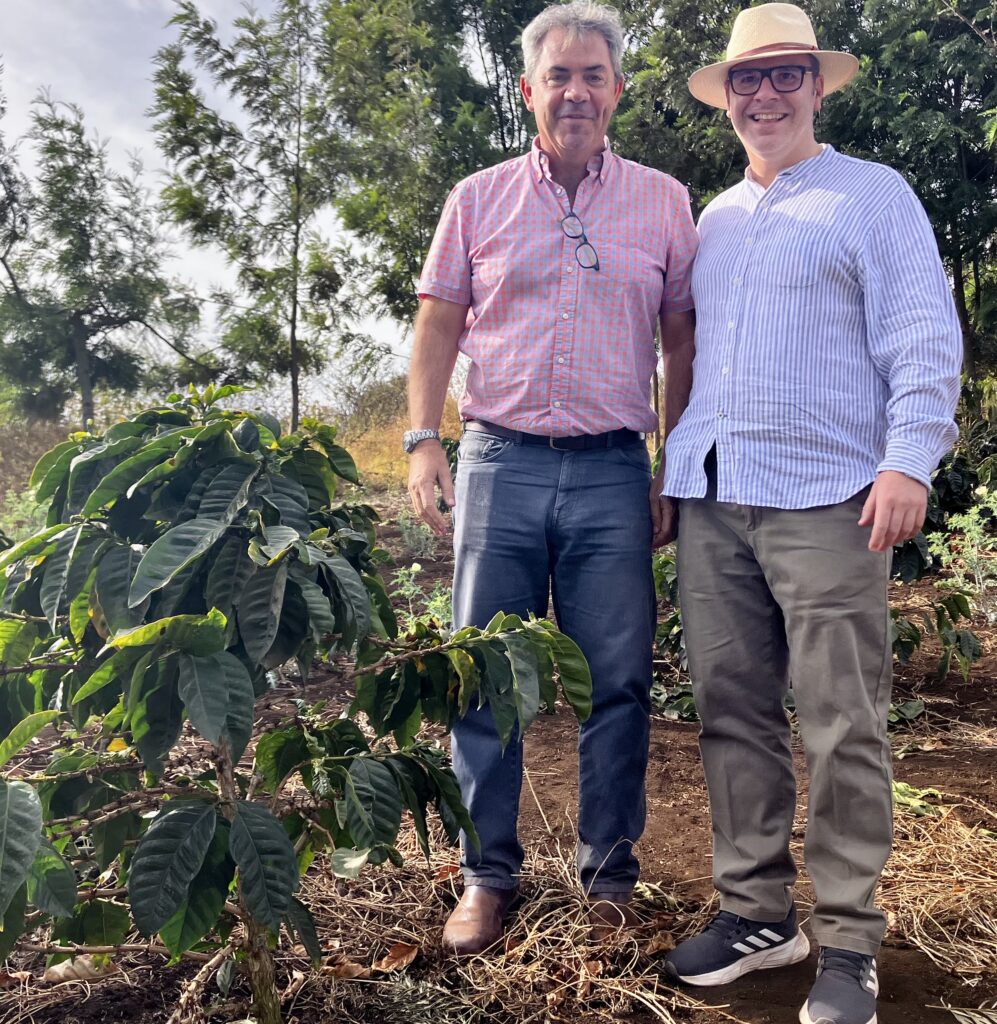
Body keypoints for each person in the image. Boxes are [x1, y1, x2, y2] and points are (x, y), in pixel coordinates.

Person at [661, 5, 962, 1023]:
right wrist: (673, 472)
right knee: (731, 712)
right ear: (728, 97)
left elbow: (922, 332)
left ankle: (846, 945)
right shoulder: (709, 218)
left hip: (831, 496)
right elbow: (689, 360)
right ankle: (755, 915)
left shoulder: (871, 196)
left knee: (842, 724)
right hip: (714, 497)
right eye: (747, 80)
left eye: (785, 75)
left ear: (816, 87)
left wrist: (908, 460)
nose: (765, 95)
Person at [405, 0, 697, 955]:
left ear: (617, 89)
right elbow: (439, 322)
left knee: (616, 680)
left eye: (593, 75)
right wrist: (421, 439)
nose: (576, 92)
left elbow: (679, 334)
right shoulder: (477, 198)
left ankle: (608, 872)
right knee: (484, 673)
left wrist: (671, 457)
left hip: (615, 469)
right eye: (557, 76)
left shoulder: (663, 200)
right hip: (500, 462)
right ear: (528, 90)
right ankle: (487, 875)